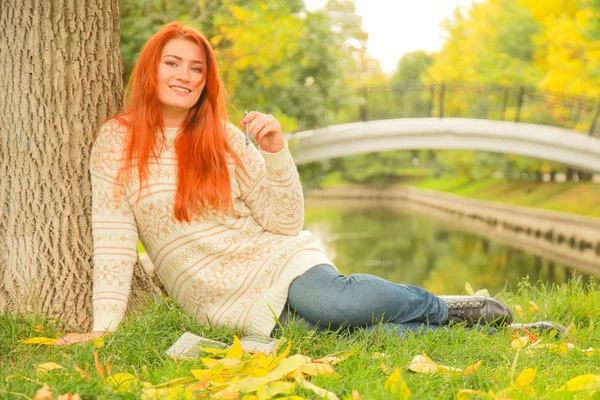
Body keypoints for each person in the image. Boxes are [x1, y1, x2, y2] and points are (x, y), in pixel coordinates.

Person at [58, 21, 557, 346]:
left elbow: (284, 221)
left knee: (334, 304)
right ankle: (500, 331)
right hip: (217, 299)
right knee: (357, 337)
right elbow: (114, 242)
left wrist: (277, 153)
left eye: (197, 68)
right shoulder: (117, 141)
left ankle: (441, 306)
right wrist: (103, 328)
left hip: (276, 262)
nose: (185, 76)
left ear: (207, 82)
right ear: (151, 68)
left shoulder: (226, 139)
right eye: (173, 63)